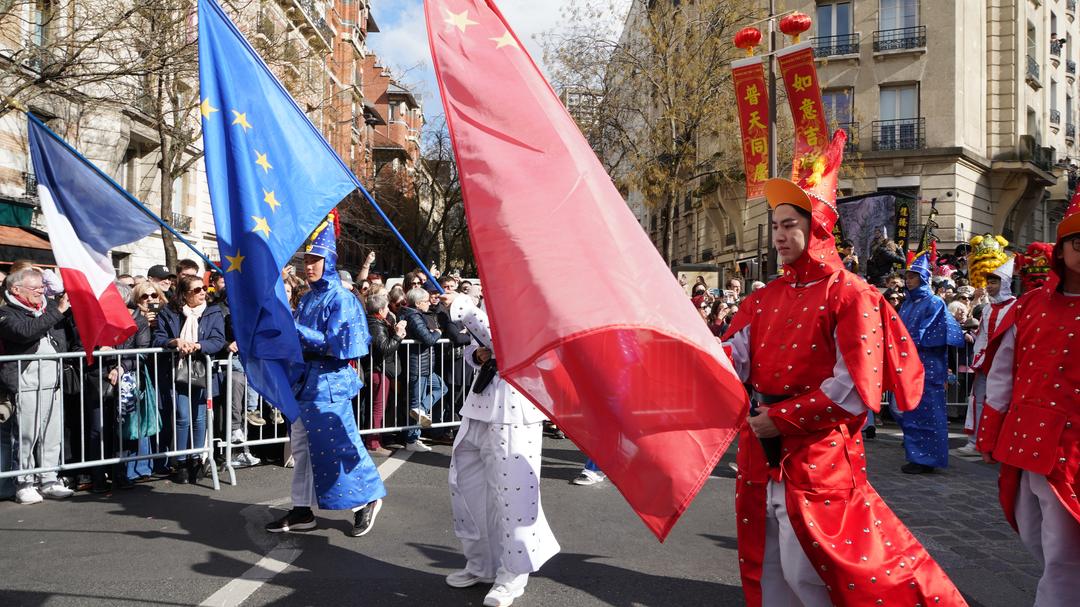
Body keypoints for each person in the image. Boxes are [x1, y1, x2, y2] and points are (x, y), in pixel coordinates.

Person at [722, 132, 966, 606]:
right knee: (768, 566)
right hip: (760, 446)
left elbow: (855, 386)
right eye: (775, 226)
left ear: (816, 228)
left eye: (790, 225)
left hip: (819, 451)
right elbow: (736, 354)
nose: (779, 235)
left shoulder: (851, 293)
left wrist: (782, 419)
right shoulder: (764, 297)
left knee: (811, 570)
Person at [975, 198, 1080, 606]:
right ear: (1062, 248)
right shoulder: (1029, 306)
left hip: (1072, 450)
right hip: (1029, 443)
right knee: (1041, 539)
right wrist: (989, 435)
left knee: (1064, 556)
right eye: (1078, 242)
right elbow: (1002, 374)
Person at [265, 213, 385, 537]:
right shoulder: (307, 298)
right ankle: (302, 510)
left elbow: (341, 346)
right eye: (306, 260)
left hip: (329, 385)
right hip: (304, 383)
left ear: (329, 260)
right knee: (302, 447)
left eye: (315, 259)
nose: (309, 265)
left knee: (341, 445)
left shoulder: (342, 298)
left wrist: (296, 330)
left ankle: (367, 499)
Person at [440, 290, 559, 607]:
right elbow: (478, 348)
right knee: (466, 487)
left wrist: (465, 309)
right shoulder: (495, 298)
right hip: (480, 405)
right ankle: (481, 564)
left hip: (517, 409)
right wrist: (478, 355)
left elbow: (511, 346)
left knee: (513, 497)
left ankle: (513, 575)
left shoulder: (539, 302)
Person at [0, 267, 74, 503]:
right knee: (26, 435)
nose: (41, 291)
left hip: (53, 382)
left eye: (42, 287)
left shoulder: (49, 306)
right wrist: (58, 311)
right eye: (35, 288)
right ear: (16, 289)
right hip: (26, 382)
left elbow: (68, 328)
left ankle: (49, 479)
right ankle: (24, 483)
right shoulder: (6, 313)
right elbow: (24, 332)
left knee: (52, 434)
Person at [152, 274, 226, 483]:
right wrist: (175, 342)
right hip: (177, 370)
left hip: (202, 369)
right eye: (196, 290)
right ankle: (181, 462)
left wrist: (199, 345)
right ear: (184, 294)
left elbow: (218, 340)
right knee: (182, 416)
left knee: (199, 417)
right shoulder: (169, 312)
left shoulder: (213, 312)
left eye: (203, 288)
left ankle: (196, 459)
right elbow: (157, 338)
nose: (202, 292)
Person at [896, 254, 965, 474]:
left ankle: (928, 458)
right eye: (907, 276)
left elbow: (933, 333)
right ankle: (916, 455)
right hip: (909, 364)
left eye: (913, 276)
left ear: (923, 278)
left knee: (928, 412)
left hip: (928, 366)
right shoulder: (907, 303)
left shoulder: (934, 302)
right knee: (910, 411)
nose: (908, 280)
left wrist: (906, 344)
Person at [957, 257, 1015, 456]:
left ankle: (999, 443)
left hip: (1004, 365)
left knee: (1002, 402)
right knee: (977, 401)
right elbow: (982, 335)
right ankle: (975, 442)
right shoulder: (988, 308)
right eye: (988, 282)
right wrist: (978, 357)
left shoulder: (1016, 307)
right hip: (984, 363)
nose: (989, 286)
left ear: (1004, 283)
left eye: (994, 282)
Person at [399, 287, 446, 452]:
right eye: (426, 301)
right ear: (418, 303)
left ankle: (421, 410)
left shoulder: (415, 314)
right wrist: (438, 332)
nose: (429, 303)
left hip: (425, 364)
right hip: (418, 364)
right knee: (415, 401)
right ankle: (412, 440)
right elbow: (428, 339)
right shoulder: (413, 316)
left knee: (441, 387)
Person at [364, 291, 406, 456]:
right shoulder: (375, 325)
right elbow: (384, 348)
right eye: (387, 307)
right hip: (379, 370)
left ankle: (375, 440)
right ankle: (373, 443)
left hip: (380, 369)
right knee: (378, 407)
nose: (388, 310)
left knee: (378, 406)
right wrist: (398, 336)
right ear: (381, 310)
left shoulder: (376, 322)